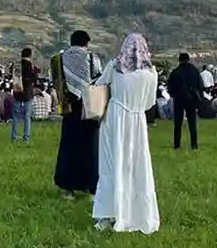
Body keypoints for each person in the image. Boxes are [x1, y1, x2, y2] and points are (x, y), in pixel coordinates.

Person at [92, 33, 160, 234]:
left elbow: (99, 85)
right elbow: (149, 103)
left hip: (114, 118)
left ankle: (108, 214)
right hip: (136, 121)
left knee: (110, 164)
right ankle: (136, 213)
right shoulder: (151, 73)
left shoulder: (115, 67)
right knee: (136, 164)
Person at [53, 30, 102, 199]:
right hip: (89, 105)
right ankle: (91, 187)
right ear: (86, 43)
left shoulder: (59, 58)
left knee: (69, 145)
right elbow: (99, 79)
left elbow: (55, 79)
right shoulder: (92, 58)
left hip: (68, 105)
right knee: (91, 146)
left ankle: (68, 187)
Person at [167, 52, 203, 150]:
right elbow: (200, 85)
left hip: (178, 99)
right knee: (192, 123)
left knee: (178, 123)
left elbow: (170, 87)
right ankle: (194, 145)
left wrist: (174, 94)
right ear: (189, 59)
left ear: (179, 60)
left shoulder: (176, 72)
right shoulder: (195, 71)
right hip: (191, 99)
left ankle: (177, 145)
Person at [11, 47, 38, 143]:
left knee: (15, 116)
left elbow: (11, 76)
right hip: (28, 93)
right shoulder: (32, 66)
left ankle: (14, 136)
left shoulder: (15, 65)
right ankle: (26, 138)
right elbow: (35, 79)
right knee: (27, 116)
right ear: (30, 55)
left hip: (17, 92)